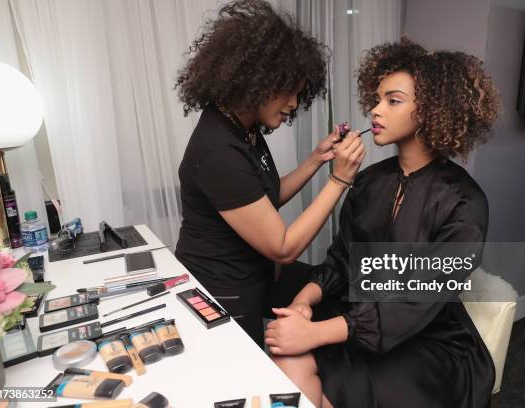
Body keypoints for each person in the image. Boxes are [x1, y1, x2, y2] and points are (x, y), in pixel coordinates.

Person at [265, 38, 501, 408]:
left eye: (392, 101)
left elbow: (417, 299)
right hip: (357, 316)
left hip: (428, 338)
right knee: (285, 361)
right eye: (376, 99)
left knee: (353, 382)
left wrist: (314, 333)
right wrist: (302, 303)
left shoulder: (465, 202)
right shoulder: (369, 180)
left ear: (432, 110)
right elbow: (342, 262)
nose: (375, 110)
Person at [174, 0, 365, 347]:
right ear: (256, 81)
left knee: (333, 291)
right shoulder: (219, 150)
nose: (294, 103)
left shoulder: (242, 126)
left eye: (298, 93)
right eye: (288, 91)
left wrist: (315, 161)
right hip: (223, 288)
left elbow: (264, 198)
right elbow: (282, 247)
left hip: (257, 275)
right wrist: (339, 180)